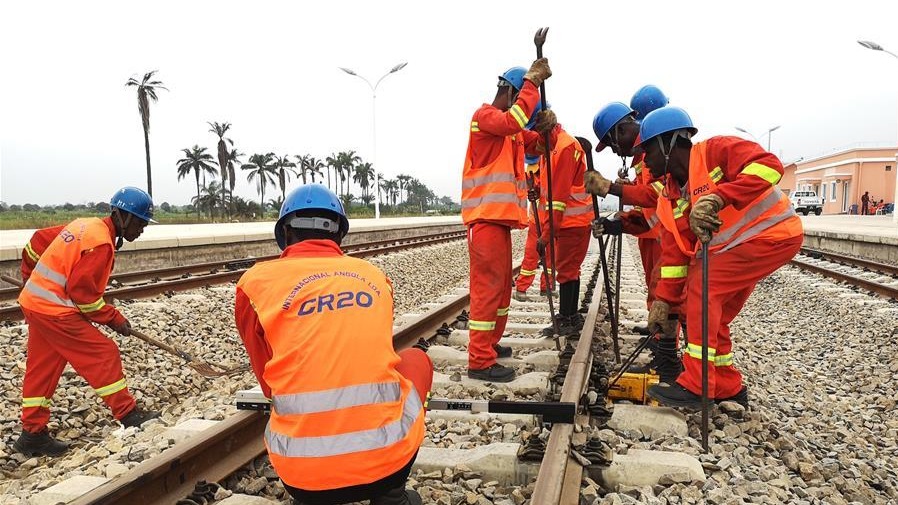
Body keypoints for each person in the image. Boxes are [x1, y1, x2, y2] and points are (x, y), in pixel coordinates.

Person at [236, 184, 434, 505]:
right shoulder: (374, 276)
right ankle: (392, 496)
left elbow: (268, 383)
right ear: (339, 234)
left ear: (285, 233)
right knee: (415, 360)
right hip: (388, 466)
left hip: (302, 477)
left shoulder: (254, 284)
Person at [633, 107, 803, 409]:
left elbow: (769, 166)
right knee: (716, 313)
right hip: (741, 245)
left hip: (770, 234)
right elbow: (674, 256)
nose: (645, 161)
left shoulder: (716, 150)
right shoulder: (672, 193)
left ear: (668, 143)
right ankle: (726, 385)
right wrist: (663, 302)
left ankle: (697, 386)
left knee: (702, 290)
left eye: (648, 151)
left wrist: (720, 196)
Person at [14, 187, 160, 457]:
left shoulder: (84, 225)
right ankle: (128, 414)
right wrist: (114, 318)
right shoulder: (101, 243)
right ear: (121, 216)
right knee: (104, 353)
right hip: (54, 310)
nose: (141, 230)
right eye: (139, 222)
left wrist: (28, 279)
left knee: (43, 368)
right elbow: (84, 297)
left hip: (36, 304)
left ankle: (32, 434)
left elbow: (38, 240)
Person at [461, 59, 555, 382]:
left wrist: (547, 127)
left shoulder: (511, 133)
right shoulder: (484, 117)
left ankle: (489, 343)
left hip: (498, 223)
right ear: (512, 92)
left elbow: (542, 146)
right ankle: (479, 360)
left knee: (501, 288)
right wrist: (532, 82)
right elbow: (514, 122)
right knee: (487, 290)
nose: (525, 116)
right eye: (525, 105)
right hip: (484, 222)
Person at [536, 118, 594, 336]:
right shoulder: (554, 147)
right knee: (569, 270)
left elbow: (557, 198)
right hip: (570, 221)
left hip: (571, 221)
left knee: (567, 271)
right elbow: (550, 186)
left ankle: (568, 318)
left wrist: (546, 235)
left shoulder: (563, 147)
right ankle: (570, 315)